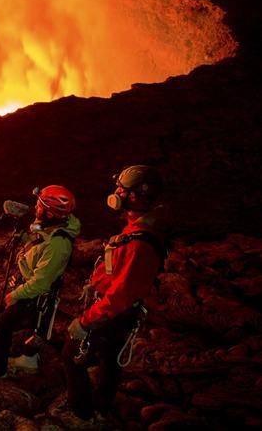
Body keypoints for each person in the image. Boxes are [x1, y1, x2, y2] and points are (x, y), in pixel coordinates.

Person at [61, 165, 169, 423]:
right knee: (110, 360)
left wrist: (85, 321)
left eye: (122, 189)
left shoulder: (140, 242)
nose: (116, 193)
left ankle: (82, 413)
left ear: (135, 196)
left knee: (70, 354)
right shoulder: (136, 229)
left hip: (115, 313)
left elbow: (121, 295)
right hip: (121, 312)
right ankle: (102, 404)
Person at [0, 185, 79, 382]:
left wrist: (16, 294)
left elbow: (41, 282)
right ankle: (29, 361)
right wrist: (25, 238)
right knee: (36, 325)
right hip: (35, 290)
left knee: (2, 325)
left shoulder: (58, 243)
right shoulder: (52, 228)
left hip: (37, 293)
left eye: (39, 206)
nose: (35, 208)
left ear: (51, 213)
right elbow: (39, 244)